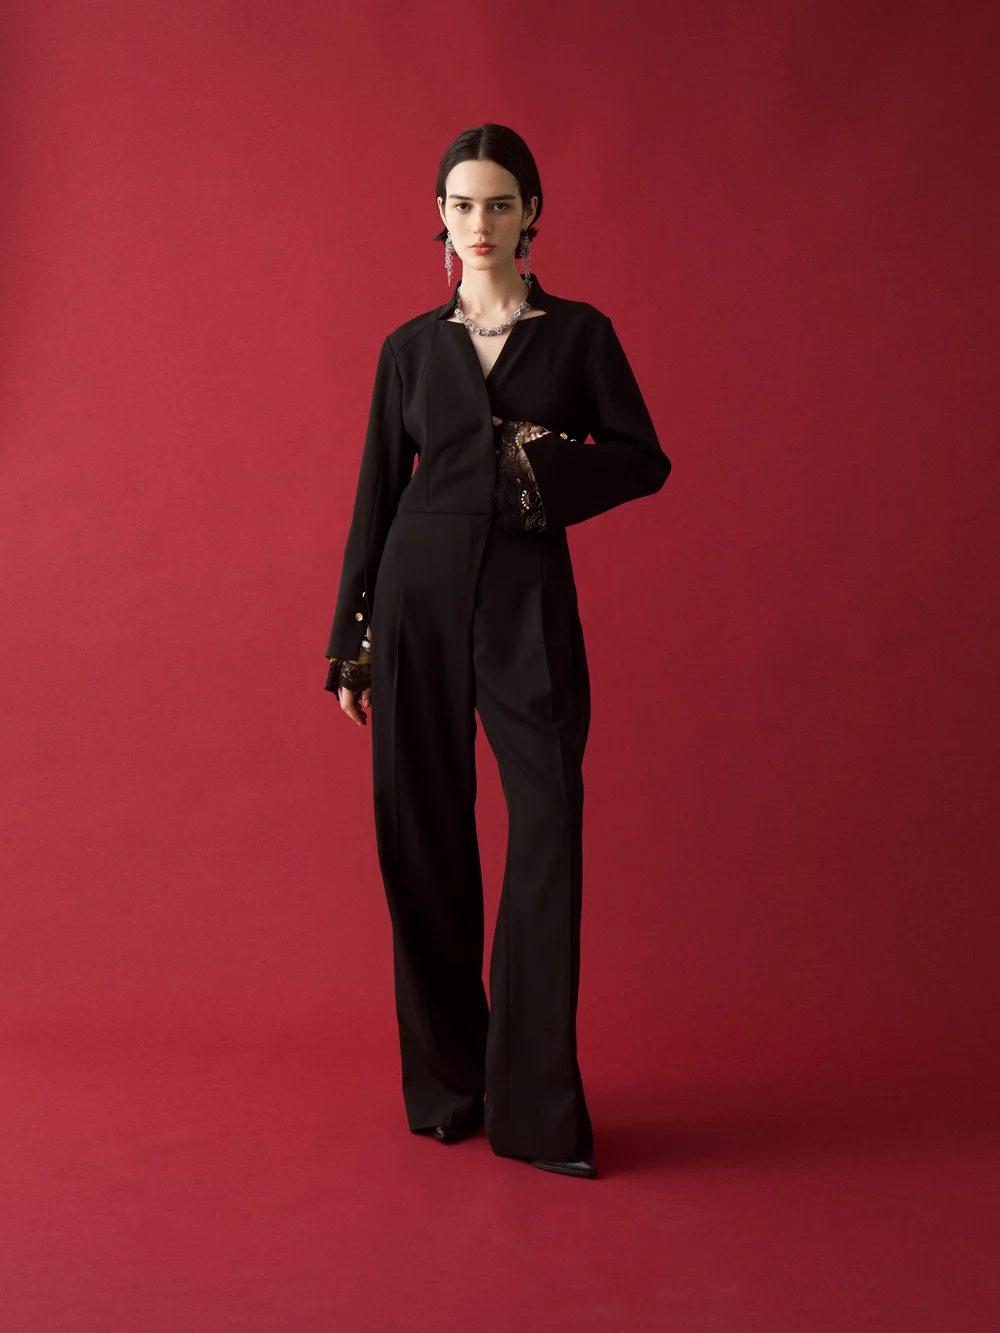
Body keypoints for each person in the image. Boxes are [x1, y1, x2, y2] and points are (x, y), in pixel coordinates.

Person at [324, 123, 671, 1179]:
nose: (479, 223)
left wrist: (534, 466)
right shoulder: (408, 349)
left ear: (532, 215)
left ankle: (536, 1109)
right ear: (440, 214)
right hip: (417, 596)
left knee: (547, 824)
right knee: (420, 831)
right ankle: (446, 1085)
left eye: (500, 204)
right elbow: (375, 495)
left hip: (526, 598)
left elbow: (641, 457)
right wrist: (352, 645)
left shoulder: (579, 335)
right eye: (462, 204)